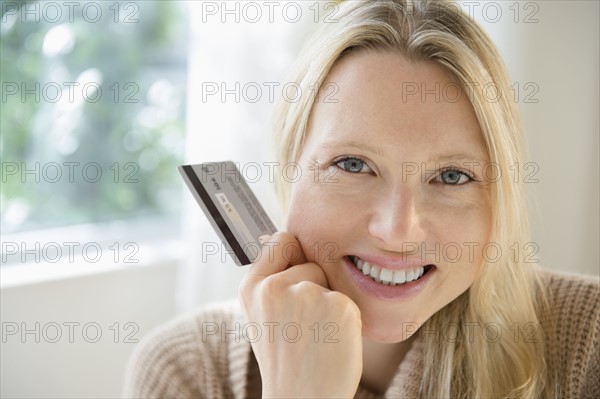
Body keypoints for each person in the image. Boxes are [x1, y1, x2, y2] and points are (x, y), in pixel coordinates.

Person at [124, 0, 599, 397]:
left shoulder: (588, 343)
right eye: (353, 165)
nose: (398, 230)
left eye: (452, 176)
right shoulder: (187, 371)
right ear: (290, 168)